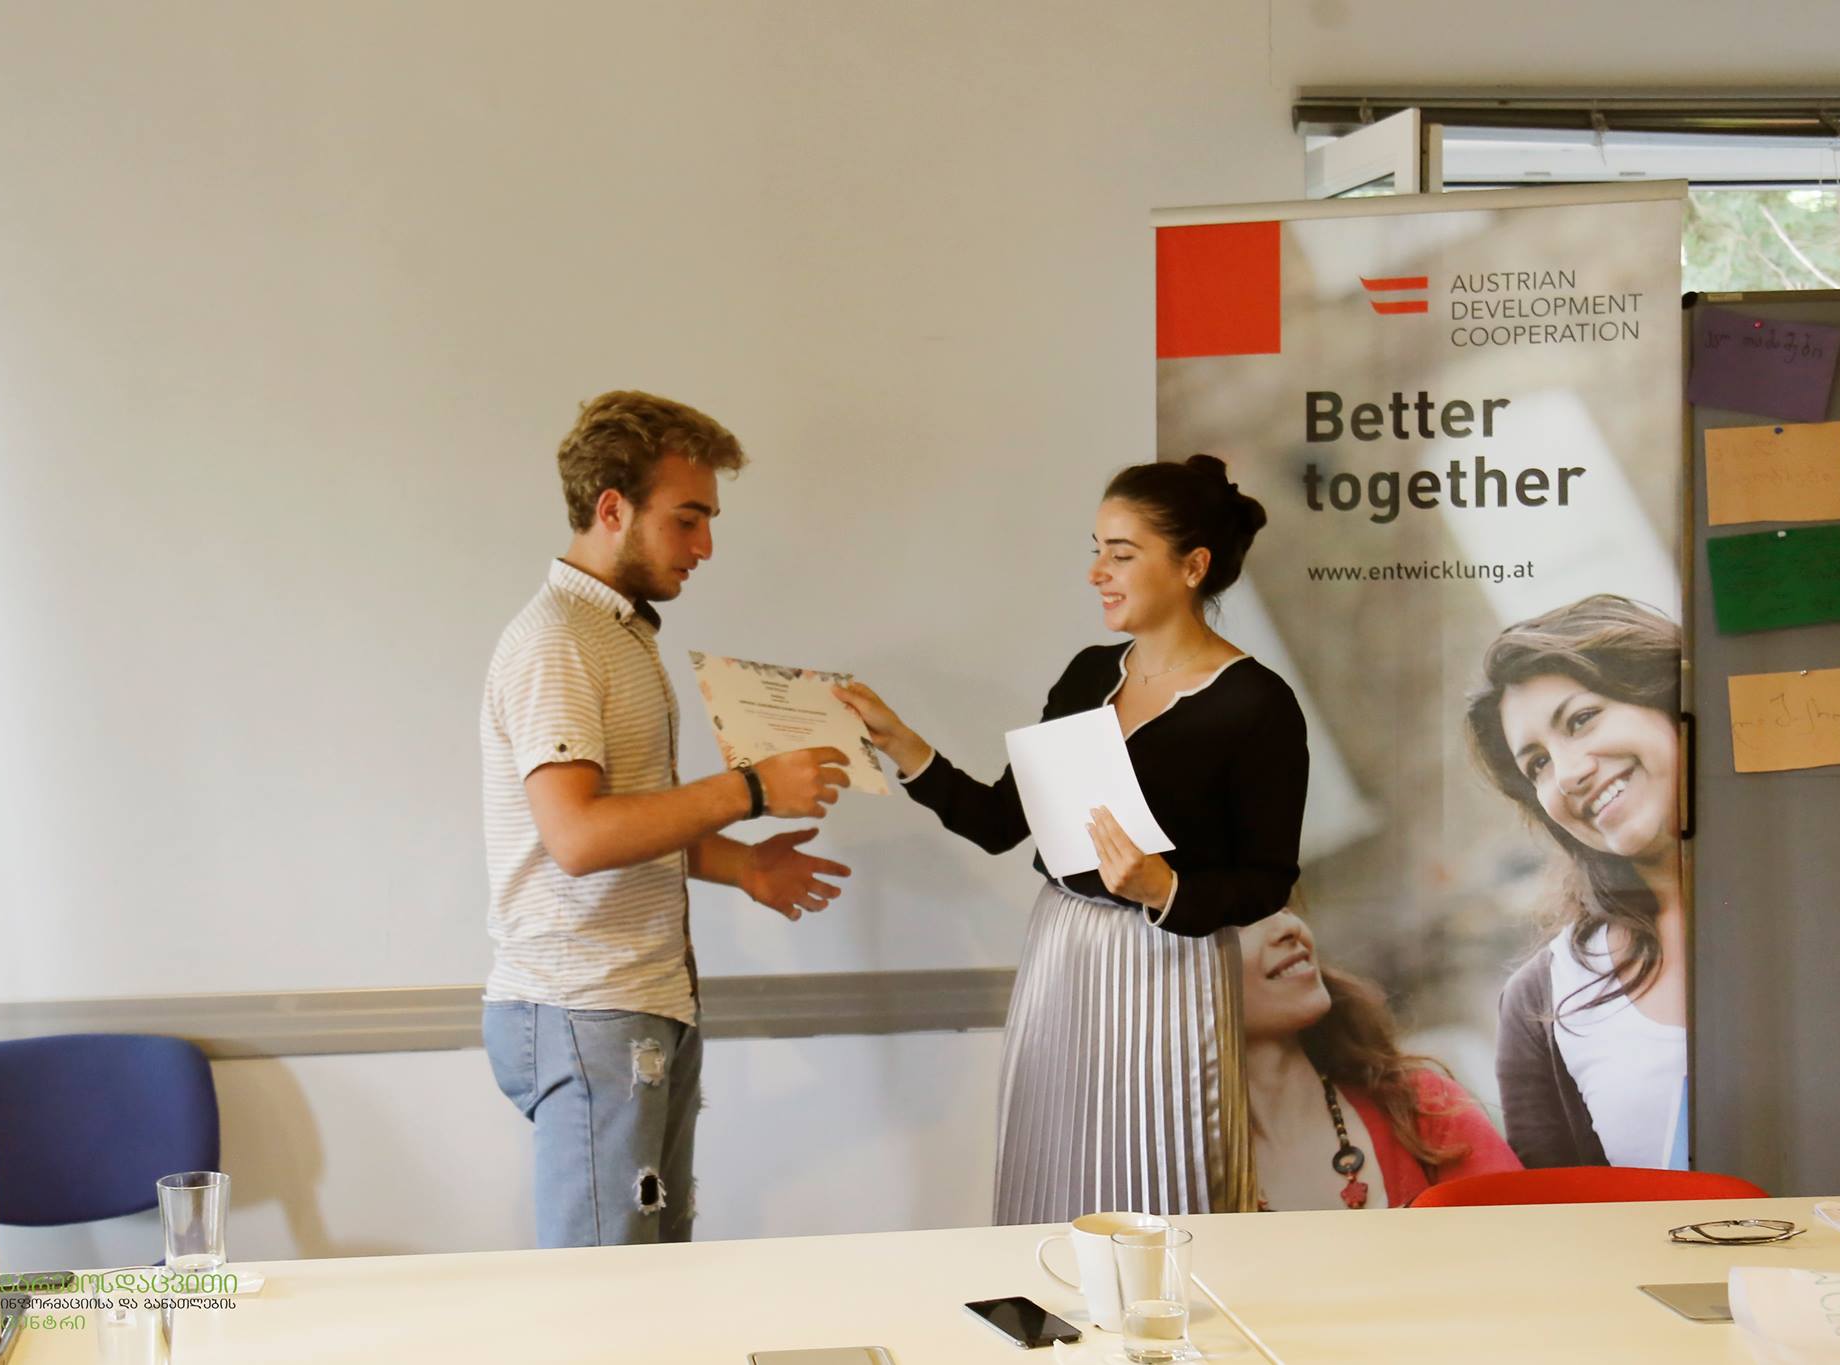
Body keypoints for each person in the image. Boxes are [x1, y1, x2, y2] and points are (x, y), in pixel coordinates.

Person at [835, 455, 1309, 1221]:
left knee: (1161, 1184)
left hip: (1172, 967)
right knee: (1051, 1171)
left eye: (1121, 554)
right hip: (1062, 952)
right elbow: (1000, 821)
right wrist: (902, 742)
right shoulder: (1089, 675)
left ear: (1193, 566)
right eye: (1097, 550)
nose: (1097, 573)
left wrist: (1167, 889)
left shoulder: (1258, 703)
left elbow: (1268, 877)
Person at [479, 390, 854, 1248]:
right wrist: (751, 789)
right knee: (606, 1292)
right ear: (613, 508)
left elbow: (628, 820)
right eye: (688, 519)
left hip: (633, 1002)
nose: (706, 546)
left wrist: (743, 864)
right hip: (586, 1006)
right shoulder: (559, 640)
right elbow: (578, 837)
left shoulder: (615, 633)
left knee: (651, 1274)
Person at [1465, 594, 1686, 1170]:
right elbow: (1563, 1213)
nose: (1568, 774)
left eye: (1582, 719)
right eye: (1537, 764)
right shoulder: (1545, 1002)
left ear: (1669, 699)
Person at [1237, 906, 1520, 1211]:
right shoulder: (1199, 1191)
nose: (1288, 927)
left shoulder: (1422, 1110)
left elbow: (1520, 1233)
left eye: (1282, 905)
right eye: (1240, 921)